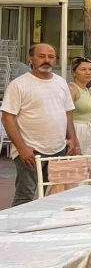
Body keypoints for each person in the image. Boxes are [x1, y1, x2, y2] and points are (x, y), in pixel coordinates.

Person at [1, 44, 78, 206]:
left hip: (58, 149)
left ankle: (47, 222)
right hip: (30, 151)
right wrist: (22, 148)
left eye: (51, 57)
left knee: (55, 195)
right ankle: (18, 223)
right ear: (31, 59)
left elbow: (68, 113)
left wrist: (72, 139)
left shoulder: (61, 82)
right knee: (25, 196)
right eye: (41, 56)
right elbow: (7, 118)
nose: (47, 60)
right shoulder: (19, 84)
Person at [68, 57, 91, 155]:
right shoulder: (71, 89)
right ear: (74, 73)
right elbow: (66, 115)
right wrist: (74, 139)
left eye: (90, 69)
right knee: (76, 161)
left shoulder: (87, 90)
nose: (88, 72)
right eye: (83, 69)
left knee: (87, 162)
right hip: (76, 129)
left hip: (88, 129)